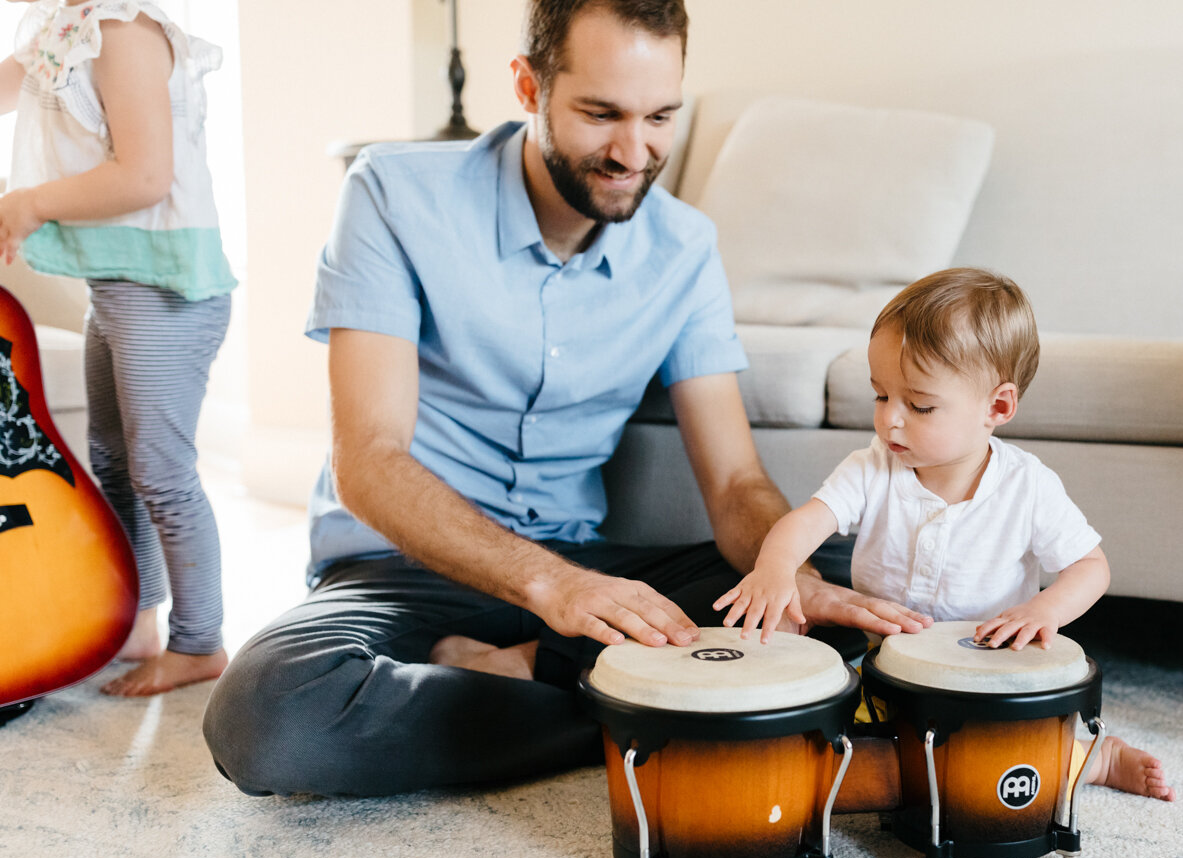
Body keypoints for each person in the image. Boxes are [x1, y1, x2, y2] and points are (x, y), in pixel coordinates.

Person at [201, 0, 925, 798]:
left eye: (660, 117)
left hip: (586, 571)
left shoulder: (684, 249)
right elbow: (369, 462)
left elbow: (735, 487)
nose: (633, 150)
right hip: (405, 568)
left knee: (842, 589)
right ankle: (653, 714)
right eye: (600, 113)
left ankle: (525, 675)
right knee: (268, 715)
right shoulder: (395, 196)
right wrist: (553, 588)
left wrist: (787, 576)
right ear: (527, 86)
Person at [715, 268, 1175, 801]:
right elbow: (805, 522)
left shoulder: (1027, 486)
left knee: (992, 763)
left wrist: (1044, 610)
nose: (889, 422)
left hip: (987, 677)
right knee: (836, 749)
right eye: (880, 396)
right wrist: (774, 570)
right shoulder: (873, 467)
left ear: (997, 408)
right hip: (885, 666)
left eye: (919, 405)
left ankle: (1093, 757)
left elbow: (1091, 568)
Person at [0, 1, 237, 697]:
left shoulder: (125, 32)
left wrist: (29, 202)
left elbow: (144, 176)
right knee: (111, 457)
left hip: (165, 291)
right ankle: (139, 618)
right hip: (119, 286)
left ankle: (201, 644)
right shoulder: (64, 27)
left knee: (162, 472)